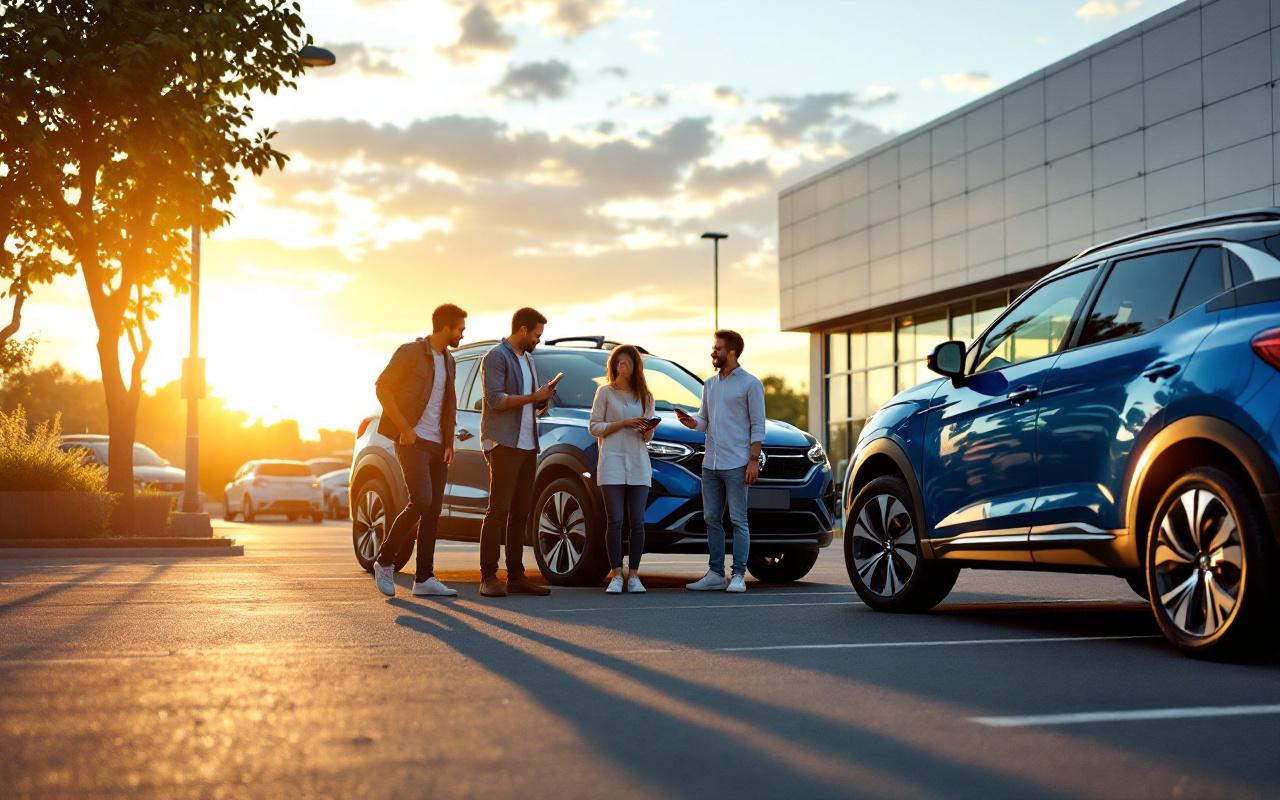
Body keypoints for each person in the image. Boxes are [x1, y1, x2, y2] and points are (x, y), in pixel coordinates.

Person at [371, 304, 467, 598]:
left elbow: (448, 402)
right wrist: (404, 428)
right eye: (460, 329)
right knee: (421, 501)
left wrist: (449, 442)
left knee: (433, 510)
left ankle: (424, 578)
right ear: (445, 328)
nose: (463, 334)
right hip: (412, 441)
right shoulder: (411, 352)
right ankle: (385, 561)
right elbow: (382, 387)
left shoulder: (449, 360)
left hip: (438, 444)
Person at [676, 329, 766, 594]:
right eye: (713, 348)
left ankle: (738, 575)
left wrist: (753, 460)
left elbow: (758, 425)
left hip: (738, 462)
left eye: (717, 348)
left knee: (738, 520)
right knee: (711, 518)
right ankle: (715, 573)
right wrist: (692, 422)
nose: (713, 352)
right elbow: (705, 421)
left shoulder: (750, 384)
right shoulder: (709, 384)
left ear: (732, 352)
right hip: (711, 464)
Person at [477, 307, 557, 597]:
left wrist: (540, 401)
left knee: (520, 512)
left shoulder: (529, 360)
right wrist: (532, 397)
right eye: (536, 334)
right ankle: (488, 577)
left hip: (527, 444)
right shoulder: (495, 357)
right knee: (498, 510)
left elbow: (527, 400)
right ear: (522, 330)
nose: (538, 340)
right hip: (503, 443)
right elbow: (495, 400)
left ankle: (516, 576)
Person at [589, 344, 657, 594]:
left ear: (635, 366)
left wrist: (647, 428)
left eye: (626, 362)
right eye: (618, 362)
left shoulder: (646, 396)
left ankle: (635, 575)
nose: (622, 366)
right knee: (615, 520)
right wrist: (623, 423)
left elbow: (648, 437)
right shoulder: (605, 392)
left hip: (638, 462)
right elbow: (594, 427)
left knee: (637, 522)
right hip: (612, 462)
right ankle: (616, 574)